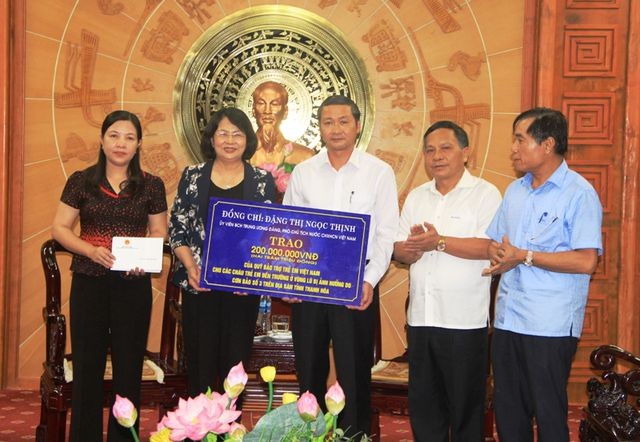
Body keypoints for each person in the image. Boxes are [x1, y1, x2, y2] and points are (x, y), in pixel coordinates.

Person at [283, 95, 399, 437]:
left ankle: (354, 436)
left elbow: (385, 233)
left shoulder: (378, 172)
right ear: (319, 127)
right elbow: (289, 231)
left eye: (343, 121)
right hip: (309, 284)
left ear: (358, 125)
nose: (336, 129)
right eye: (328, 122)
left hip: (355, 283)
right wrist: (289, 279)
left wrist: (369, 280)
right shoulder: (303, 172)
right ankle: (311, 435)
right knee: (309, 371)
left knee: (353, 372)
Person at [484, 107, 602, 441]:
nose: (513, 149)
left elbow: (585, 262)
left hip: (548, 325)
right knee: (509, 417)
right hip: (508, 320)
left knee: (549, 417)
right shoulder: (515, 191)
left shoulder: (578, 193)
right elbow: (496, 243)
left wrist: (526, 256)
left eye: (521, 140)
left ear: (547, 144)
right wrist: (499, 255)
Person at [51, 110, 167, 441]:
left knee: (128, 366)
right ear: (102, 141)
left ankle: (122, 437)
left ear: (139, 144)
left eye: (129, 137)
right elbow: (59, 228)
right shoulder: (81, 181)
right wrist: (89, 249)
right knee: (87, 366)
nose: (121, 143)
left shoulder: (151, 185)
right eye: (114, 136)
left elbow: (159, 231)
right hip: (90, 279)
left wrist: (142, 258)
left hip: (133, 284)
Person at [393, 121, 502, 440]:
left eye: (445, 148)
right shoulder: (417, 196)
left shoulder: (485, 194)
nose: (436, 156)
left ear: (465, 153)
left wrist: (438, 241)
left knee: (465, 409)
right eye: (429, 150)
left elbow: (489, 247)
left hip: (464, 322)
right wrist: (410, 247)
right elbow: (400, 250)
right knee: (424, 407)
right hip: (422, 318)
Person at [169, 107, 276, 401]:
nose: (230, 140)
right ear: (212, 139)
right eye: (223, 134)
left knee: (235, 372)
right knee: (200, 370)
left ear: (247, 140)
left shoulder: (261, 181)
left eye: (237, 134)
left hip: (242, 292)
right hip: (199, 286)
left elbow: (268, 236)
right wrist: (191, 266)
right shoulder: (192, 177)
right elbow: (177, 228)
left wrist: (251, 276)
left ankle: (232, 431)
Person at [249, 81, 315, 170]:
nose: (267, 111)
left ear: (285, 112)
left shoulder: (305, 157)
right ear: (253, 110)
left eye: (274, 104)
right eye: (261, 103)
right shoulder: (239, 154)